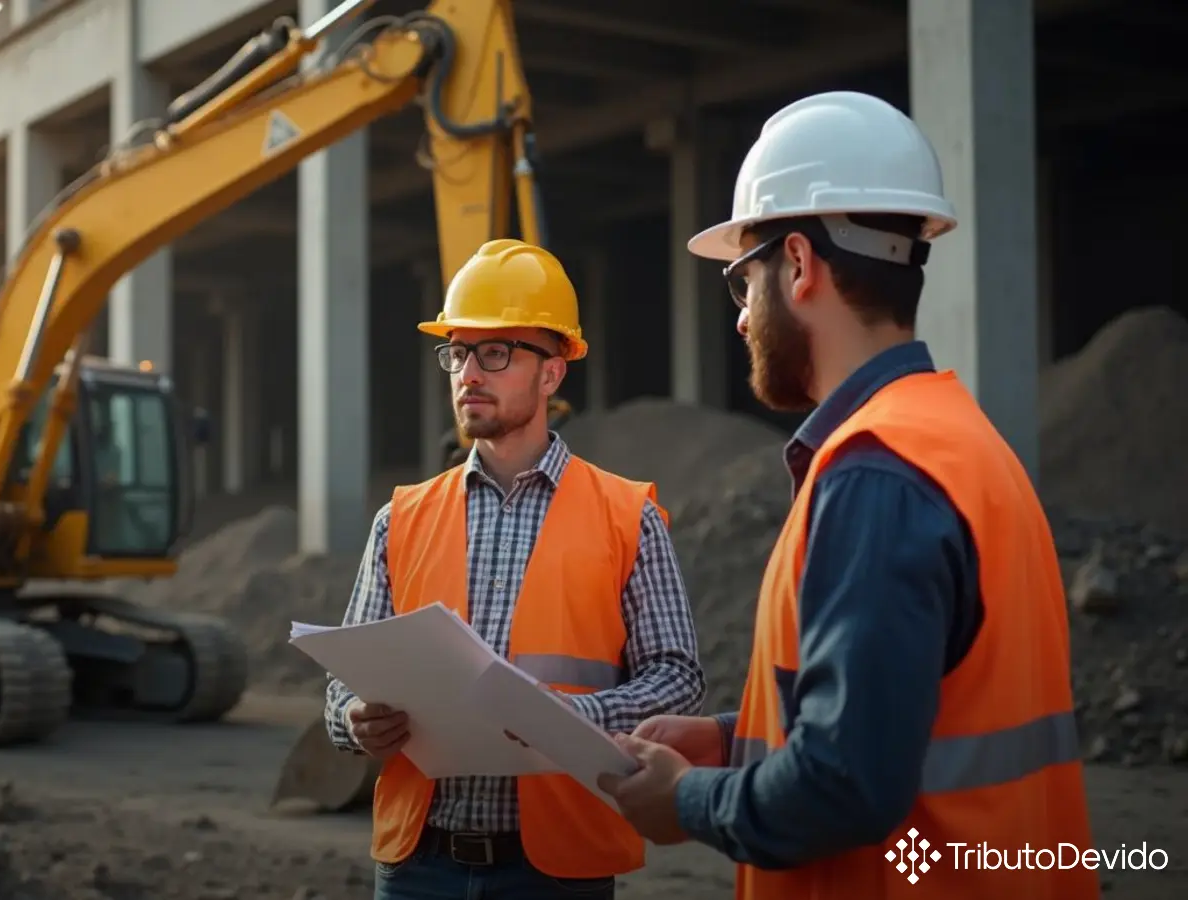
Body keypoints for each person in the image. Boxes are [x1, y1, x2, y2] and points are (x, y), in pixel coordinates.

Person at [595, 91, 1099, 897]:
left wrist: (686, 799)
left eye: (742, 281)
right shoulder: (958, 441)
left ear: (797, 265)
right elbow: (903, 711)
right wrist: (733, 739)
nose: (740, 319)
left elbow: (846, 782)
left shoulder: (876, 475)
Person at [322, 238, 706, 899]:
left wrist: (565, 717)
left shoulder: (626, 517)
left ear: (552, 373)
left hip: (557, 870)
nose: (469, 373)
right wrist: (356, 716)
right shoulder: (400, 519)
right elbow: (340, 688)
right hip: (419, 870)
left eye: (495, 352)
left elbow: (679, 679)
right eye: (458, 353)